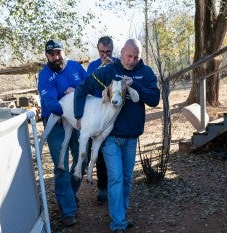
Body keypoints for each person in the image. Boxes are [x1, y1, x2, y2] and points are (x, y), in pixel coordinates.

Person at [74, 38, 160, 233]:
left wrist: (135, 85)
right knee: (116, 178)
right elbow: (83, 88)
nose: (132, 60)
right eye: (129, 56)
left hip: (131, 137)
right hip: (110, 135)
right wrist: (78, 115)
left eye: (136, 57)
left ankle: (121, 214)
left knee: (127, 179)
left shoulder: (144, 73)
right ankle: (118, 223)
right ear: (121, 52)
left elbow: (154, 99)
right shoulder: (109, 71)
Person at [37, 39, 87, 227]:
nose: (56, 57)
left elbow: (90, 86)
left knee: (84, 159)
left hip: (78, 122)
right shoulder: (45, 75)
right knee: (62, 167)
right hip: (57, 126)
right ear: (47, 56)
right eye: (52, 54)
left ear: (64, 52)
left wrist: (78, 92)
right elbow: (50, 103)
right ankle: (68, 209)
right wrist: (67, 97)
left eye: (59, 53)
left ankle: (70, 195)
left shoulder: (75, 67)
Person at [86, 36, 115, 203]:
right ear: (98, 50)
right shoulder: (92, 66)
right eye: (102, 51)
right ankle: (103, 187)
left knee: (112, 152)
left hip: (113, 116)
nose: (105, 55)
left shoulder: (117, 64)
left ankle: (115, 187)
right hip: (96, 117)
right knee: (99, 153)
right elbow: (89, 88)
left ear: (113, 49)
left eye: (108, 51)